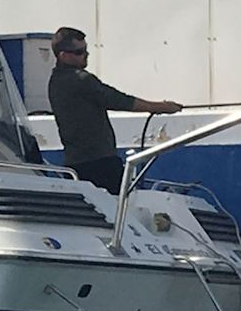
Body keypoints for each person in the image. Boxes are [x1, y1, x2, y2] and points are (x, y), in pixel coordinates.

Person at [46, 26, 183, 195]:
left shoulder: (55, 82)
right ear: (64, 56)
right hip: (98, 162)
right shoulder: (80, 80)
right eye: (80, 52)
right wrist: (160, 108)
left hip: (75, 163)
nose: (86, 55)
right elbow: (119, 100)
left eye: (86, 50)